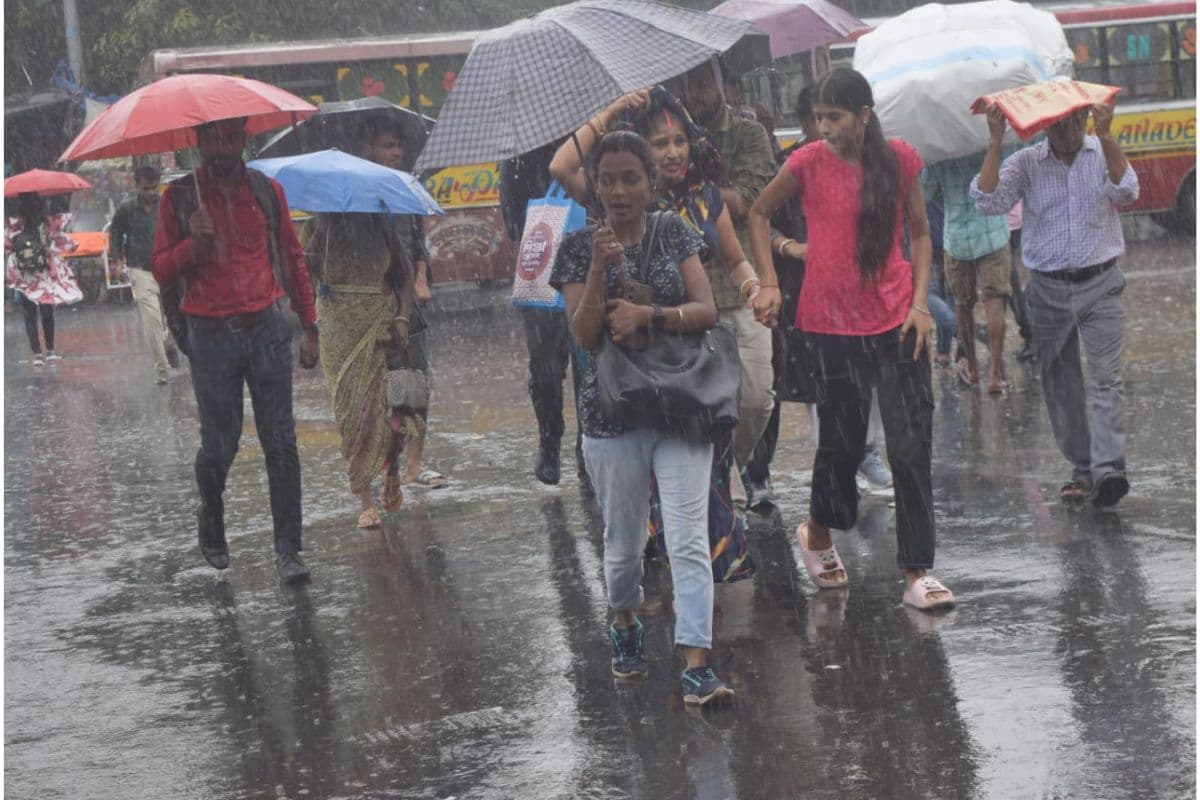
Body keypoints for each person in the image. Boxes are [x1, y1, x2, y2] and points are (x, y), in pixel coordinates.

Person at [747, 68, 955, 611]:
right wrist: (769, 280)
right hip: (829, 328)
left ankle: (916, 572)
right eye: (818, 117)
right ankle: (817, 531)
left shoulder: (900, 160)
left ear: (864, 115)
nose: (823, 127)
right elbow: (758, 213)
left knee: (910, 446)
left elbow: (920, 233)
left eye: (834, 117)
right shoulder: (807, 162)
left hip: (897, 322)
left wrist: (919, 304)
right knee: (840, 448)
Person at [549, 86, 773, 584]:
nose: (672, 152)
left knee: (749, 408)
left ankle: (695, 537)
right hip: (637, 358)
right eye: (659, 143)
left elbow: (735, 259)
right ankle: (676, 544)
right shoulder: (617, 194)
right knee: (653, 449)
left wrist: (757, 287)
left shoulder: (702, 196)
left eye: (679, 141)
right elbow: (563, 167)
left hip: (702, 347)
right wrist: (610, 112)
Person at [550, 130, 734, 705]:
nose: (619, 190)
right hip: (612, 413)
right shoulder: (580, 247)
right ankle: (624, 623)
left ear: (651, 183)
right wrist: (602, 272)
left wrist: (650, 314)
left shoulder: (673, 229)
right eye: (607, 180)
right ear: (595, 186)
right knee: (624, 543)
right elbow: (582, 336)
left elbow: (706, 310)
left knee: (686, 538)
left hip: (681, 405)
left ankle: (696, 663)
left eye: (632, 178)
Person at [152, 116, 320, 584]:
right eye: (214, 138)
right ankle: (212, 511)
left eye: (232, 137)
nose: (224, 147)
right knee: (219, 445)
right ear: (199, 142)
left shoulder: (266, 191)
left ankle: (289, 551)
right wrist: (193, 243)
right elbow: (161, 269)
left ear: (244, 138)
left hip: (267, 326)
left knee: (282, 444)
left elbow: (291, 257)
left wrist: (310, 324)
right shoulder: (180, 198)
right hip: (210, 334)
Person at [971, 102, 1138, 508]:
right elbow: (987, 200)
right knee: (1060, 384)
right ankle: (1083, 467)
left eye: (1075, 123)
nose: (1068, 132)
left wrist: (1108, 134)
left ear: (1085, 121)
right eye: (1059, 126)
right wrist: (995, 141)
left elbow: (1128, 190)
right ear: (1044, 127)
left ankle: (1108, 467)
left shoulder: (1101, 152)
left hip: (1101, 283)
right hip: (1047, 290)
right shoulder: (1026, 162)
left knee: (1106, 380)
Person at [681, 60, 780, 477]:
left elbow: (751, 199)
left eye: (703, 84)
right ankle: (723, 491)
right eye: (687, 86)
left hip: (743, 286)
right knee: (703, 402)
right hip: (691, 294)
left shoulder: (747, 134)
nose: (694, 95)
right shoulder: (672, 138)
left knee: (757, 398)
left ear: (720, 84)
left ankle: (725, 471)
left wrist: (692, 192)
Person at [302, 209, 415, 530]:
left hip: (381, 324)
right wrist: (323, 230)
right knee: (353, 414)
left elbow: (404, 275)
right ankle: (366, 498)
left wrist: (403, 317)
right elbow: (300, 275)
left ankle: (391, 466)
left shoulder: (380, 223)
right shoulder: (314, 226)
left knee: (395, 410)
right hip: (338, 331)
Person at [363, 116, 450, 490]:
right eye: (387, 145)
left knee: (414, 383)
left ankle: (414, 465)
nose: (396, 153)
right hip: (370, 305)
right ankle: (384, 465)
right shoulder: (355, 194)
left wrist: (418, 279)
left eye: (398, 145)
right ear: (367, 149)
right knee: (378, 389)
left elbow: (416, 242)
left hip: (407, 302)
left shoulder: (406, 188)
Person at [498, 139, 585, 486]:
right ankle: (550, 438)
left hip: (589, 256)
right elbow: (511, 214)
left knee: (589, 359)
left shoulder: (588, 139)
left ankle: (587, 447)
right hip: (542, 263)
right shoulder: (517, 152)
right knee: (545, 366)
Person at [921, 152, 1014, 394]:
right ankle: (994, 374)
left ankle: (972, 368)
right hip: (992, 231)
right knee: (995, 301)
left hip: (957, 237)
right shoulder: (982, 142)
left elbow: (925, 192)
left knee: (963, 304)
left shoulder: (940, 150)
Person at [110, 165, 179, 384]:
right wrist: (118, 261)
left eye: (153, 188)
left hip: (167, 269)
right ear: (136, 186)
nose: (150, 193)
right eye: (145, 188)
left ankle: (169, 343)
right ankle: (162, 370)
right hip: (140, 269)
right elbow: (115, 232)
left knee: (171, 319)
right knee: (152, 322)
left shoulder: (167, 206)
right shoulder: (126, 210)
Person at [5, 191, 82, 365]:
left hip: (24, 275)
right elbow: (64, 242)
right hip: (44, 275)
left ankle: (37, 354)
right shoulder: (47, 223)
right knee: (47, 312)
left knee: (29, 314)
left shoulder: (15, 226)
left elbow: (6, 245)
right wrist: (69, 246)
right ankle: (51, 350)